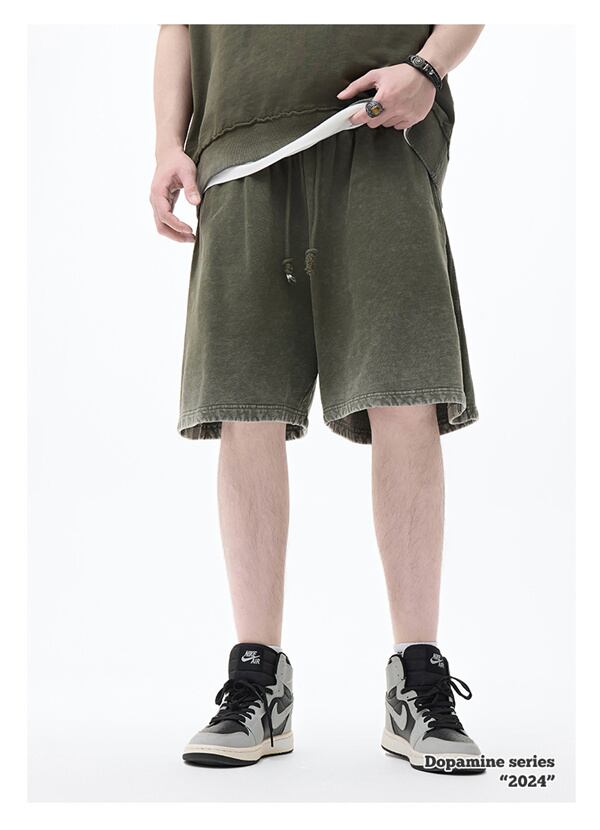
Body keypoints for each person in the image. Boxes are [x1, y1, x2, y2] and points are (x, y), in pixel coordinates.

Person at [151, 23, 485, 773]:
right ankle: (257, 681)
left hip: (379, 128)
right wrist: (168, 141)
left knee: (405, 393)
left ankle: (418, 680)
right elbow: (177, 19)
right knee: (246, 405)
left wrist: (429, 67)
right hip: (237, 148)